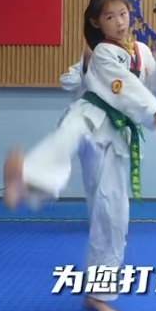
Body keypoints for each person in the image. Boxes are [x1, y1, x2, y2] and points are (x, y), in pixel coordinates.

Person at [2, 0, 156, 311]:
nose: (119, 22)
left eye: (123, 14)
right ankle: (26, 178)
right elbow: (127, 88)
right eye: (110, 17)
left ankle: (97, 294)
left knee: (112, 215)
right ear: (97, 22)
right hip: (88, 116)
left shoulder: (141, 51)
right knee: (66, 139)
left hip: (113, 136)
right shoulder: (102, 52)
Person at [59, 46, 98, 215]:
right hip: (79, 121)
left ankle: (98, 219)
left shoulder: (114, 70)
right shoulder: (79, 68)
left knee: (95, 179)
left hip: (101, 130)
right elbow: (66, 82)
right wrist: (85, 70)